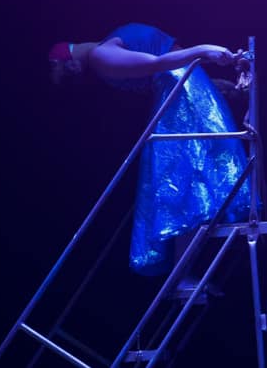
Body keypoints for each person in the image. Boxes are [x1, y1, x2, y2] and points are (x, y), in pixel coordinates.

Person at [48, 22, 251, 276]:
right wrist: (203, 50)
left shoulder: (105, 49)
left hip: (182, 83)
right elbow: (158, 64)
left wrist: (208, 75)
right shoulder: (102, 56)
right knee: (183, 177)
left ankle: (187, 270)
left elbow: (163, 64)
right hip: (178, 88)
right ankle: (184, 272)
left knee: (190, 175)